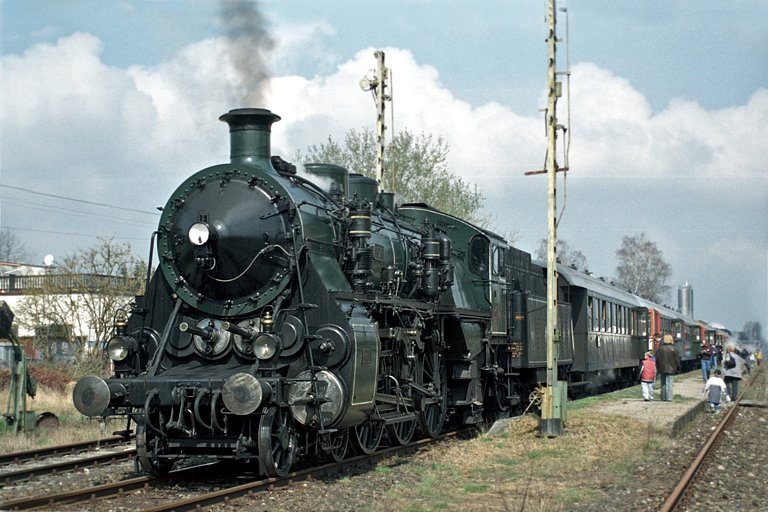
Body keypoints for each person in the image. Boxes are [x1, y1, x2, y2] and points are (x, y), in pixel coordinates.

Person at [655, 334, 681, 401]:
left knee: (663, 383)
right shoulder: (674, 349)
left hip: (662, 368)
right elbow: (677, 360)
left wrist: (657, 367)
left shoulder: (660, 349)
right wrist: (678, 368)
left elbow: (657, 359)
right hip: (672, 368)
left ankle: (663, 397)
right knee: (670, 383)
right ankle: (669, 398)